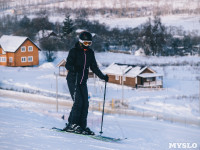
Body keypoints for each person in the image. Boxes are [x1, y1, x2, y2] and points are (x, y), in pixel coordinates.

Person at [63, 31, 109, 135]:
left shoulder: (90, 53)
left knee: (85, 104)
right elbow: (68, 65)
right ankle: (72, 124)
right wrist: (75, 68)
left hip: (82, 81)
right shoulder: (74, 51)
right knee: (78, 102)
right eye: (86, 43)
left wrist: (103, 77)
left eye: (89, 43)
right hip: (73, 80)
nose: (87, 45)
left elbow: (94, 67)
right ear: (80, 42)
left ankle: (81, 126)